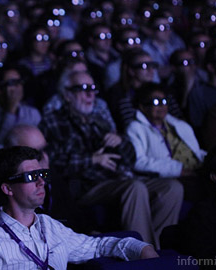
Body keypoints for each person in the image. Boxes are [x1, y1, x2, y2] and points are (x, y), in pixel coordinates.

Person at [40, 70, 183, 247]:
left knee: (172, 187)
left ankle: (159, 248)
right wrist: (92, 159)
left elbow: (130, 157)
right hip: (84, 186)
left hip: (117, 178)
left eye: (92, 88)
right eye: (83, 88)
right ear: (67, 95)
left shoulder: (99, 120)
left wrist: (121, 142)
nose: (90, 94)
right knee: (135, 188)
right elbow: (51, 163)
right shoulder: (53, 121)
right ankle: (142, 256)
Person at [0, 146, 158, 269]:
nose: (42, 182)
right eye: (32, 177)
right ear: (8, 188)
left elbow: (97, 246)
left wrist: (140, 248)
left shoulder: (49, 226)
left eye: (42, 174)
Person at [126, 83, 205, 178]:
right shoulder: (135, 128)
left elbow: (196, 152)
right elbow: (139, 162)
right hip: (172, 176)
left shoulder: (179, 125)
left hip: (197, 168)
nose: (162, 106)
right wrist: (178, 171)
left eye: (164, 101)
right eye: (156, 102)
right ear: (143, 106)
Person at [0, 66, 41, 153]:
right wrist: (10, 111)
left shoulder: (32, 113)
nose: (19, 86)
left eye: (20, 81)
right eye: (13, 82)